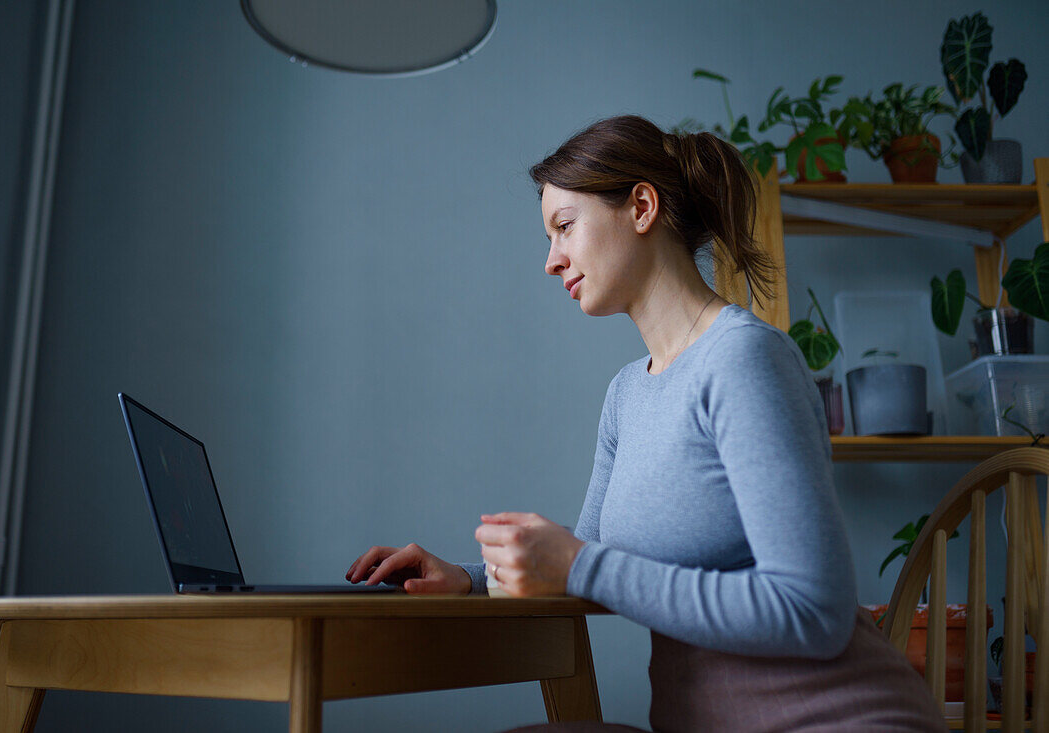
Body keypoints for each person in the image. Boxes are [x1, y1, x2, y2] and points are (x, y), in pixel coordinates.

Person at [344, 114, 946, 732]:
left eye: (564, 227)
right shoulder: (627, 394)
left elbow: (813, 613)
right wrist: (467, 580)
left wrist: (577, 564)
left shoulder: (742, 360)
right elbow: (584, 568)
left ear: (640, 206)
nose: (552, 261)